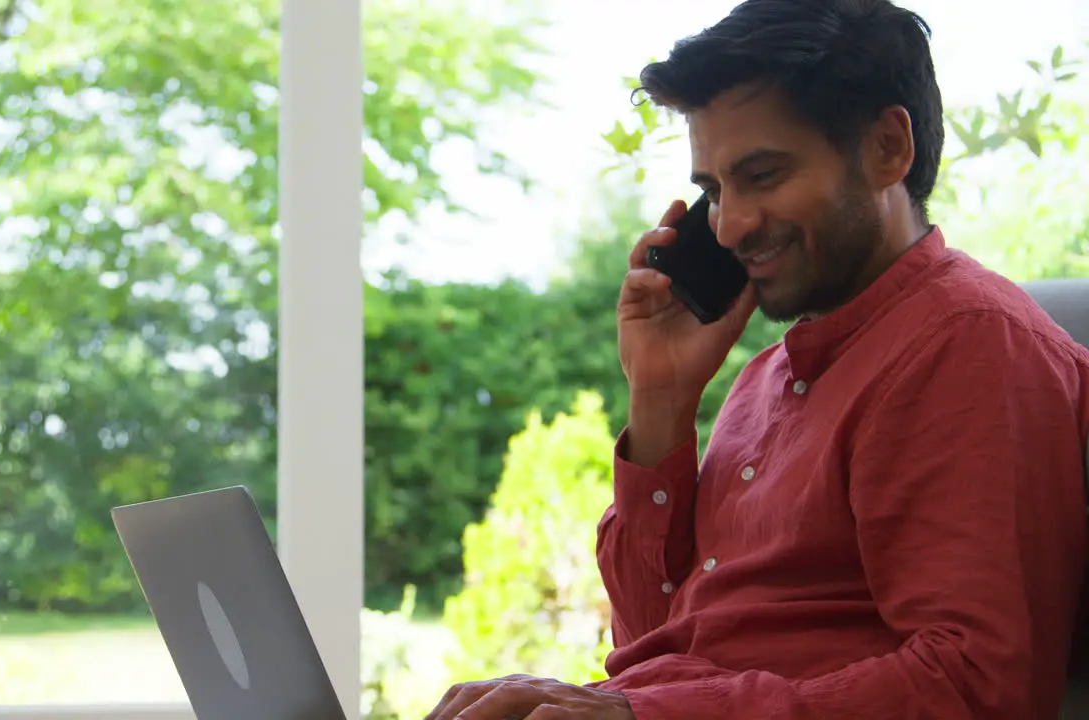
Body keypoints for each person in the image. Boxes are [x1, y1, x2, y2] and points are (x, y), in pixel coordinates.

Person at [423, 0, 1089, 718]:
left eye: (763, 175)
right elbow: (657, 644)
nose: (731, 223)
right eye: (713, 189)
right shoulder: (763, 380)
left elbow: (977, 687)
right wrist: (661, 400)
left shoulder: (967, 344)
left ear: (888, 148)